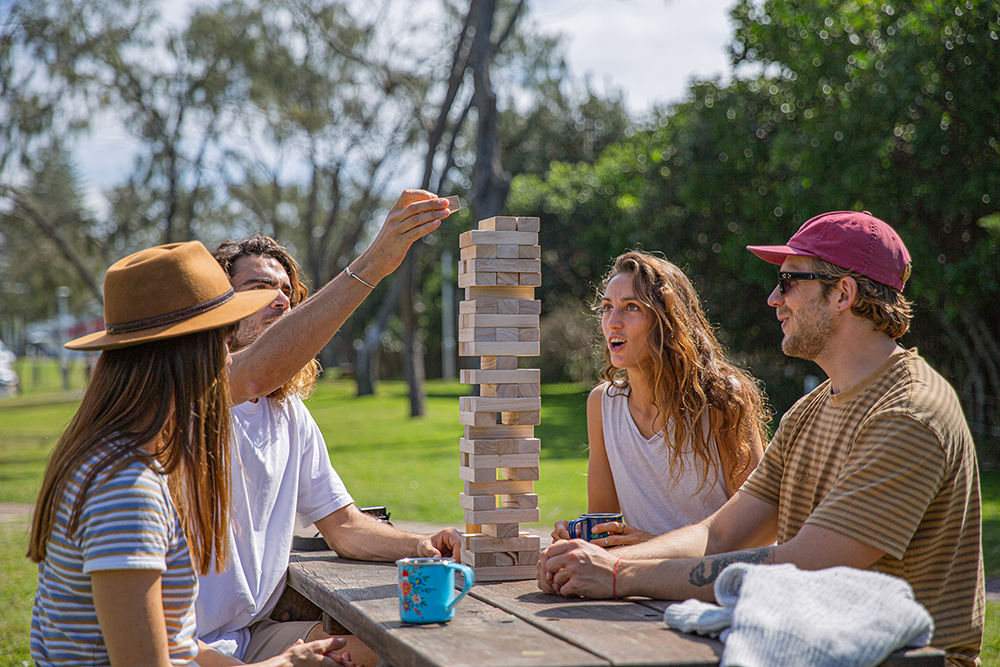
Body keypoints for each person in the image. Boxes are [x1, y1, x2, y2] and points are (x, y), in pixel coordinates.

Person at [537, 211, 984, 666]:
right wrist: (592, 558)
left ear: (843, 294)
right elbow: (722, 531)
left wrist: (621, 574)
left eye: (789, 282)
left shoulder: (908, 415)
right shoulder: (809, 412)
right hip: (815, 643)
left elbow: (803, 565)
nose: (774, 299)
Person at [27, 241, 352, 667]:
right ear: (186, 355)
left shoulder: (130, 458)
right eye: (220, 338)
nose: (229, 356)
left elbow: (177, 645)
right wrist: (285, 664)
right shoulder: (126, 488)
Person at [195, 192, 462, 666]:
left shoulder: (289, 412)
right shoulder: (195, 398)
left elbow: (343, 526)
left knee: (388, 651)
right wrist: (378, 260)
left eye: (287, 292)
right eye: (258, 287)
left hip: (245, 635)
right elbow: (253, 372)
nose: (280, 300)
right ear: (216, 304)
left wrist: (421, 545)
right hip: (182, 647)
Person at [553, 251, 768, 546]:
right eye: (606, 308)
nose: (612, 322)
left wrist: (650, 545)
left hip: (718, 582)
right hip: (641, 583)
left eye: (630, 308)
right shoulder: (603, 405)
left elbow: (758, 529)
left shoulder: (721, 399)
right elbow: (602, 521)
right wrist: (577, 537)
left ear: (668, 321)